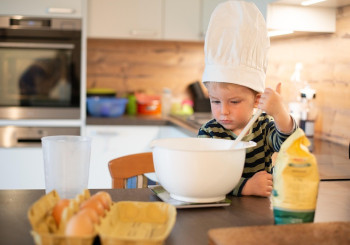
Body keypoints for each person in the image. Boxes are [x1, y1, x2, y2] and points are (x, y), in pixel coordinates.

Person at [197, 1, 297, 197]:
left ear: (257, 99)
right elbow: (205, 175)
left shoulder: (263, 127)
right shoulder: (209, 132)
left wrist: (279, 112)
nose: (223, 111)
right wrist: (245, 187)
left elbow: (288, 144)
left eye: (234, 102)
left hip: (258, 215)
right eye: (215, 101)